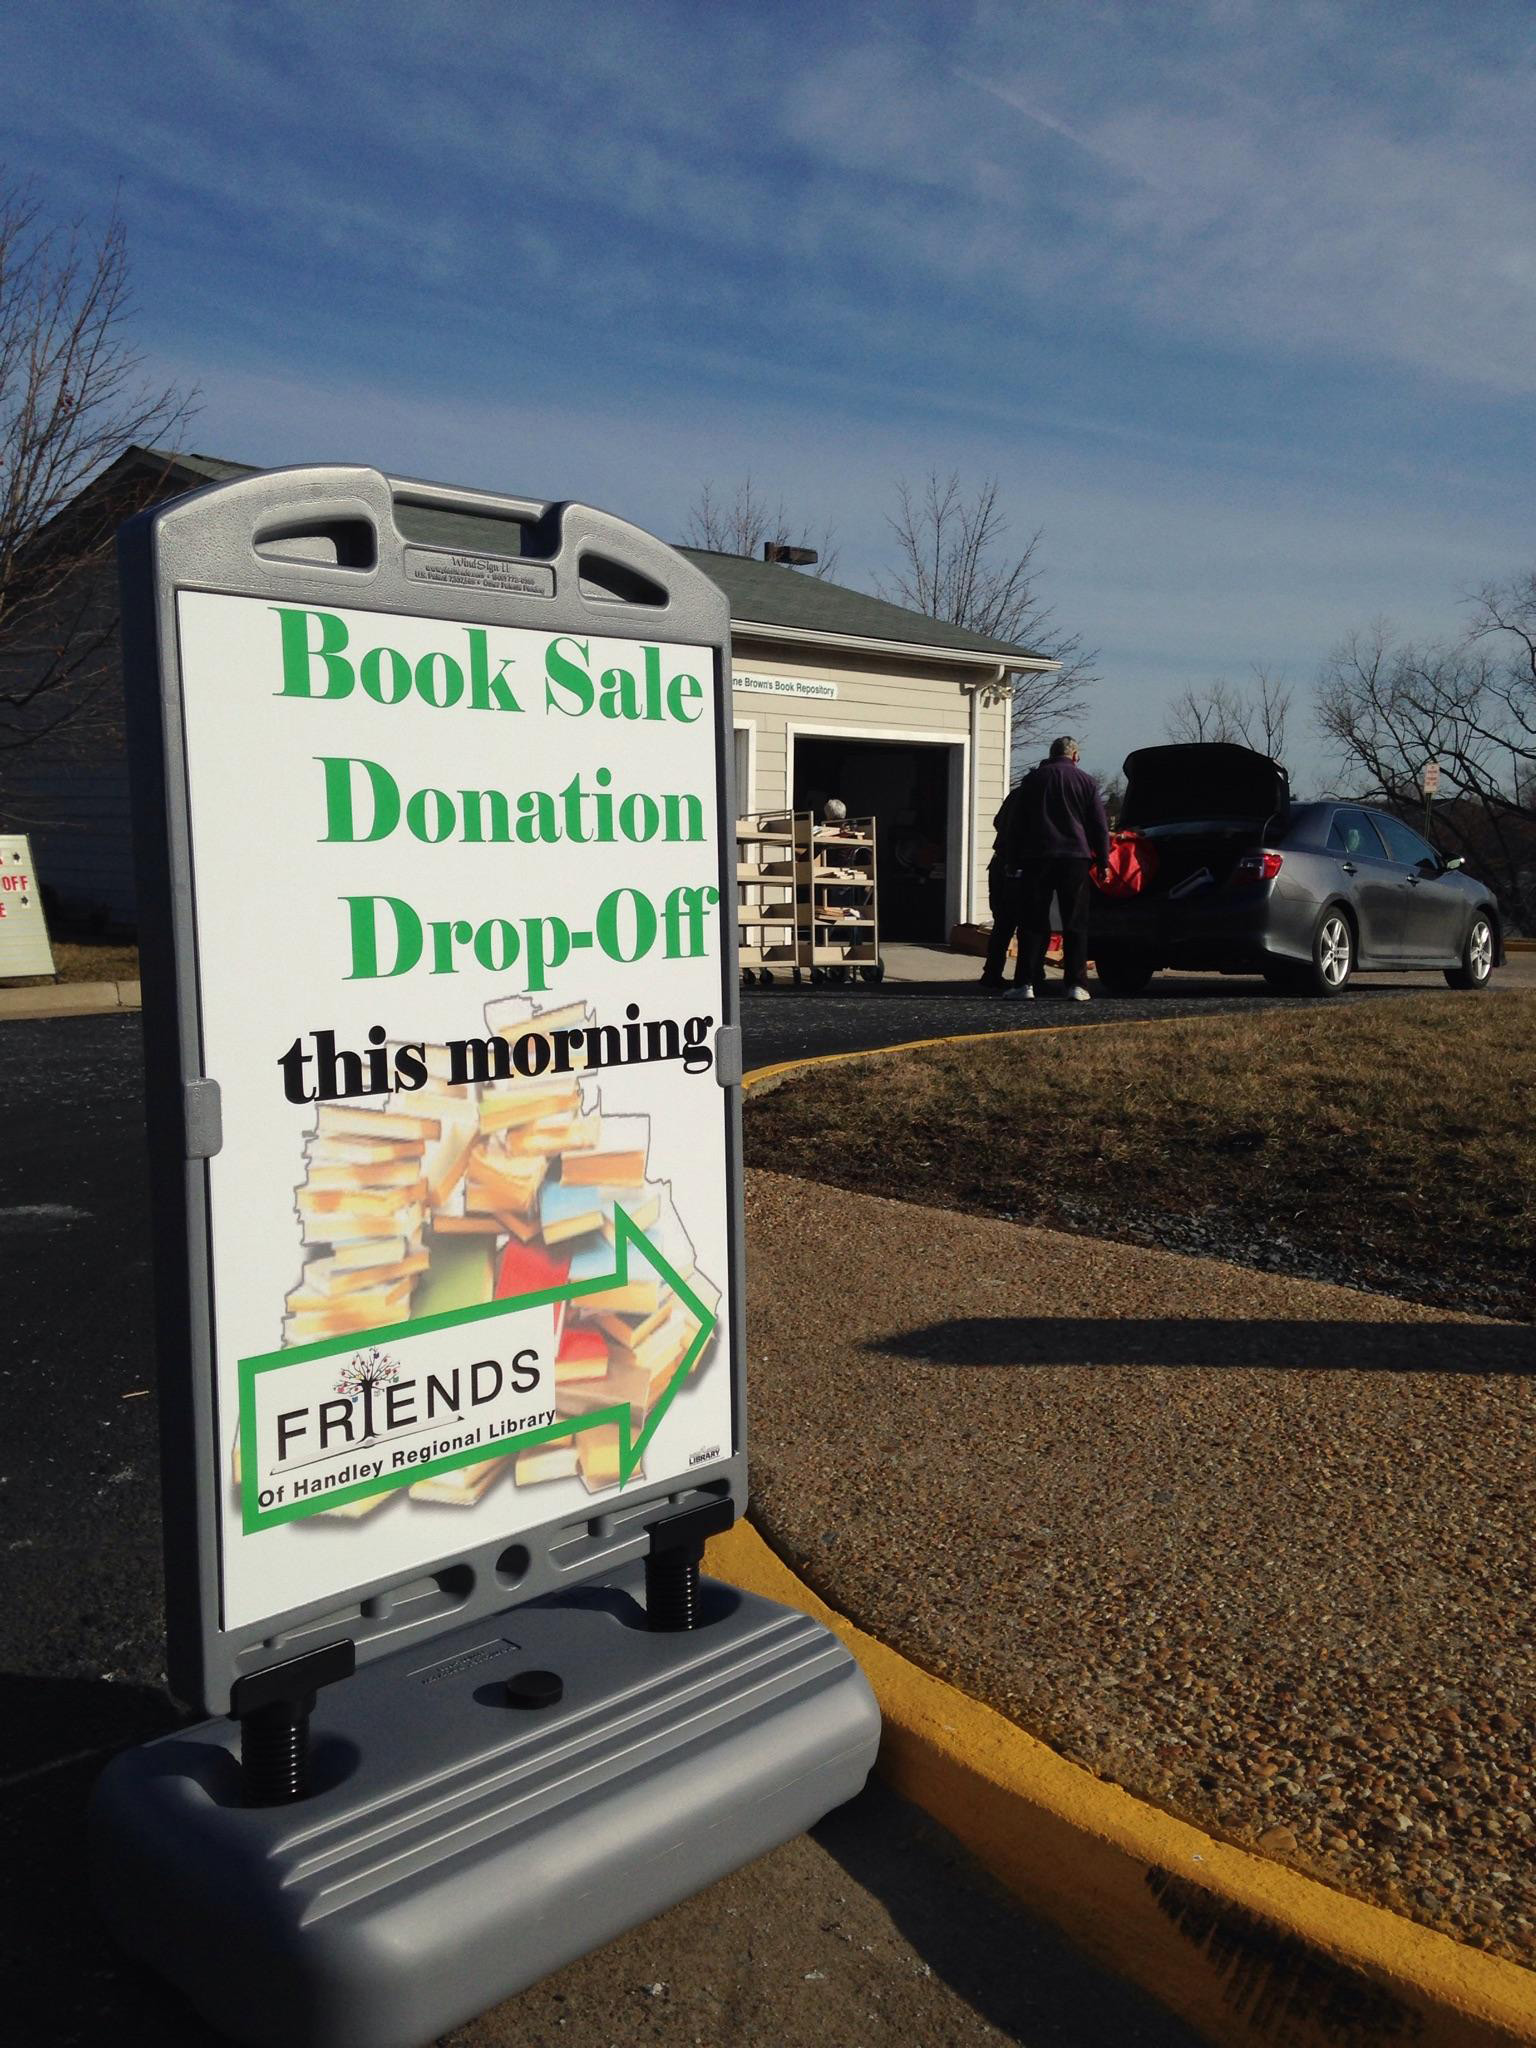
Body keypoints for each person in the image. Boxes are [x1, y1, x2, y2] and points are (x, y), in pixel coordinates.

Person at [1003, 736, 1110, 1001]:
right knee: (1074, 921)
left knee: (1032, 921)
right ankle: (1076, 984)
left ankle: (1026, 983)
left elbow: (1017, 822)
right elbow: (1099, 825)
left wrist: (1012, 858)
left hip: (1037, 856)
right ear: (1074, 756)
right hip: (1075, 857)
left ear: (1051, 755)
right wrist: (1103, 861)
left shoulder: (1033, 780)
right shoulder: (1086, 781)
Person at [979, 781, 1024, 988]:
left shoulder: (1015, 795)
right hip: (1020, 865)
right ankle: (1030, 975)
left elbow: (997, 822)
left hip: (999, 863)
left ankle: (992, 972)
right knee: (1029, 924)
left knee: (1002, 924)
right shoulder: (1038, 797)